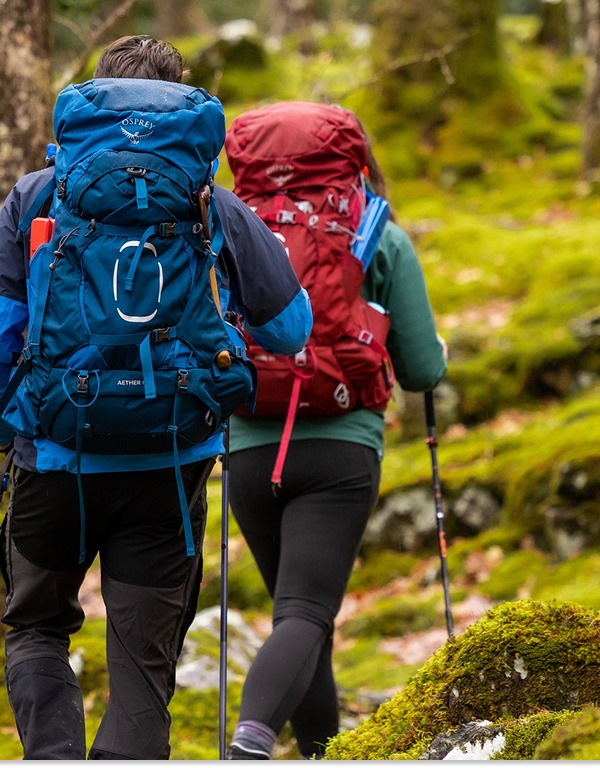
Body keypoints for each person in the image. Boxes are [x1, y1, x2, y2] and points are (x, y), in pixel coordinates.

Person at [0, 36, 313, 760]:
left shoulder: (37, 194)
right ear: (183, 102)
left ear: (93, 100)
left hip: (54, 453)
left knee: (38, 628)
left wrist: (4, 424)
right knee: (143, 670)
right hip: (169, 461)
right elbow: (293, 326)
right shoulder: (210, 201)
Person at [219, 104, 446, 760]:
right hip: (341, 449)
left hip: (250, 450)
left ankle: (324, 755)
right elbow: (422, 369)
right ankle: (250, 746)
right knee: (306, 616)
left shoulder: (232, 227)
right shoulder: (374, 233)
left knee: (303, 620)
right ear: (354, 158)